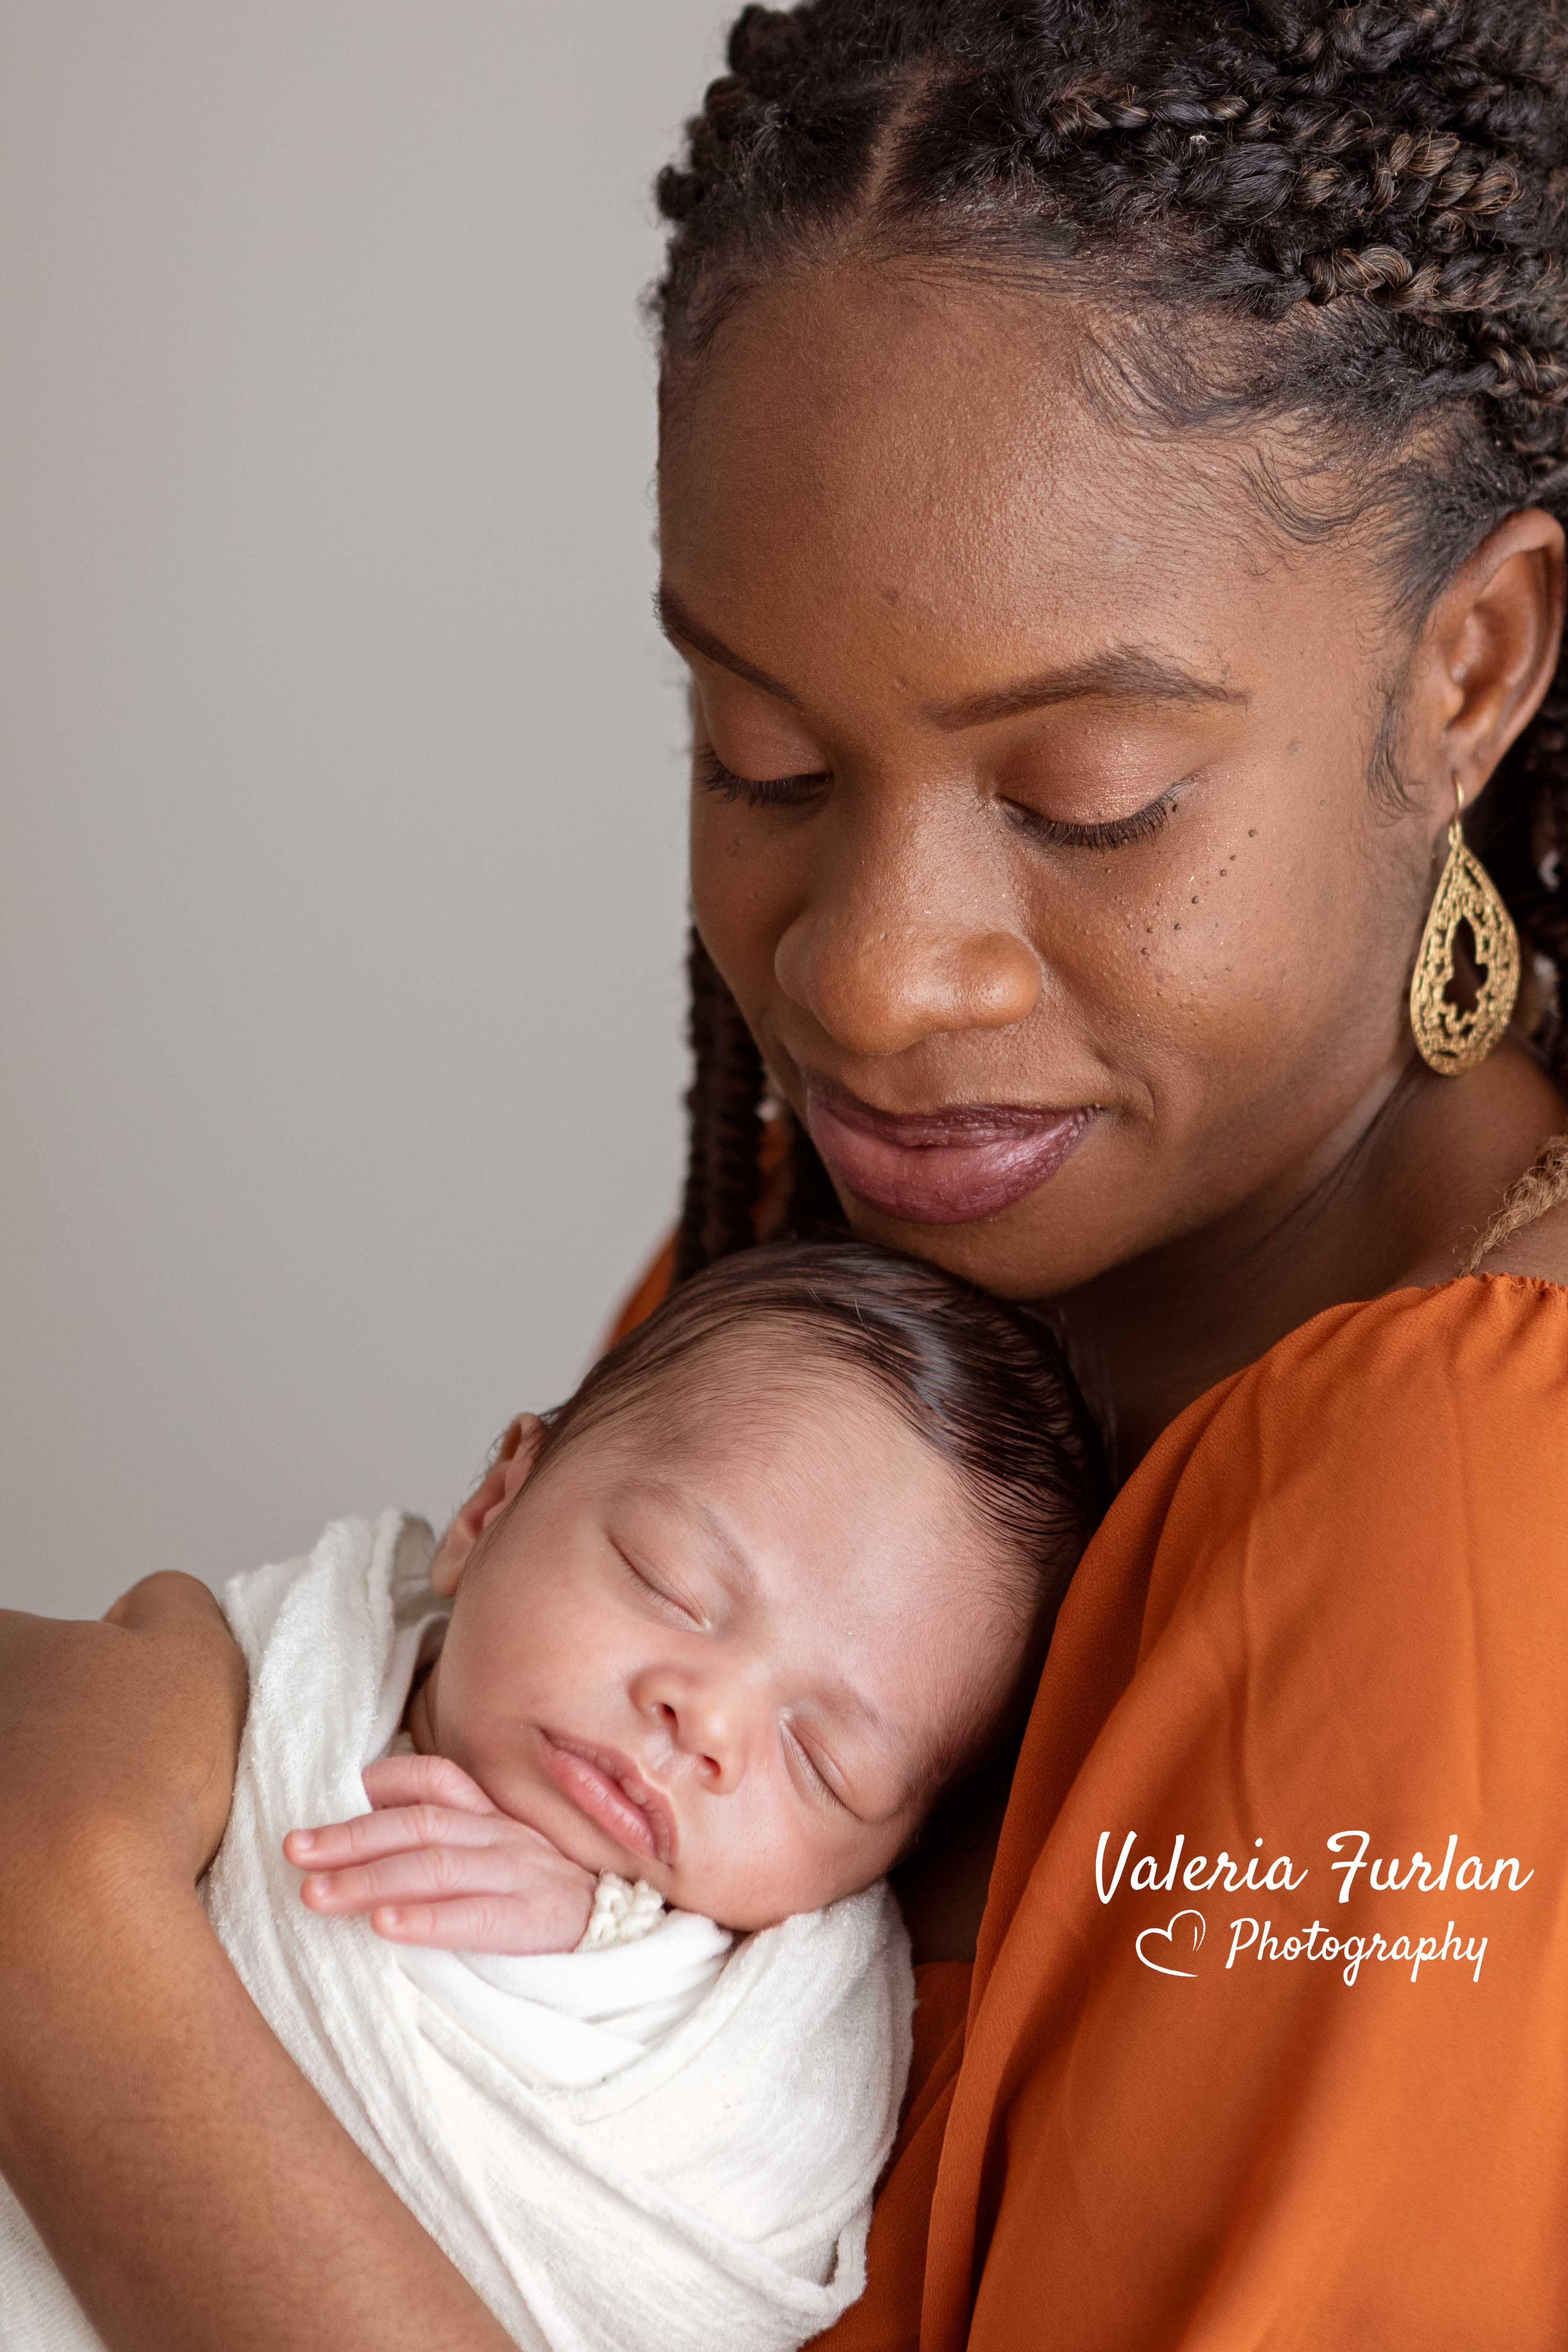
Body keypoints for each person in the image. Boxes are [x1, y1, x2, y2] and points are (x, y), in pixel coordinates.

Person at [1, 0, 1566, 2344]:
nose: (863, 979)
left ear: (1465, 664)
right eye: (756, 757)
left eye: (1081, 794)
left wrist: (56, 1925)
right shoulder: (883, 1253)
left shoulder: (1458, 1517)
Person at [0, 1242, 1101, 2352]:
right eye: (667, 1581)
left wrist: (604, 1930)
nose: (705, 1721)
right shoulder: (269, 1669)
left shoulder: (766, 2054)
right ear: (492, 1503)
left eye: (822, 1760)